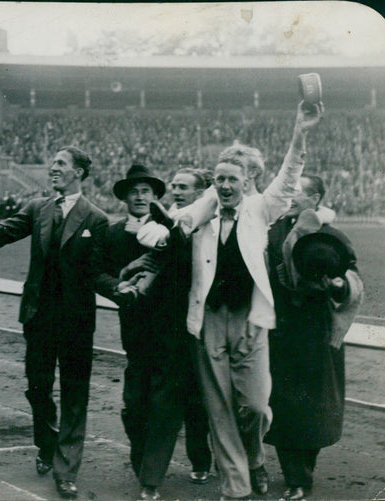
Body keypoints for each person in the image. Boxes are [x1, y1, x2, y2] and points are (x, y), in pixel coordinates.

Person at [161, 101, 324, 499]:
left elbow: (287, 180)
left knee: (254, 406)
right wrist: (166, 224)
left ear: (249, 180)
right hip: (210, 320)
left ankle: (253, 458)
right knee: (219, 408)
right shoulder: (202, 215)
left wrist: (300, 131)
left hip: (251, 319)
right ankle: (235, 488)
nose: (225, 185)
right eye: (218, 179)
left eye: (232, 178)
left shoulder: (259, 210)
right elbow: (170, 226)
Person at [0, 146, 108, 499]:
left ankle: (66, 470)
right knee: (37, 389)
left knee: (75, 397)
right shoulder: (37, 208)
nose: (53, 168)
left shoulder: (96, 218)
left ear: (79, 172)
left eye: (61, 164)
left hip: (77, 322)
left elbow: (98, 273)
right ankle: (47, 445)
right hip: (39, 318)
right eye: (52, 163)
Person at [264, 174, 363, 500]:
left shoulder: (332, 235)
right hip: (281, 331)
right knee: (283, 405)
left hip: (319, 333)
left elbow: (352, 275)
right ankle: (296, 478)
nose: (290, 196)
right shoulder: (274, 232)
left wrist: (340, 285)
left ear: (316, 198)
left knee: (316, 406)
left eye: (298, 192)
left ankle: (304, 471)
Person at [94, 164, 189, 500]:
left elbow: (187, 264)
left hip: (171, 330)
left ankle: (151, 478)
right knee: (135, 407)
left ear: (154, 196)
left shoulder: (173, 230)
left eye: (145, 191)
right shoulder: (112, 233)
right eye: (133, 191)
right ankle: (144, 465)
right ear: (124, 197)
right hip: (134, 334)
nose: (139, 196)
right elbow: (98, 275)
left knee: (164, 405)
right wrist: (122, 278)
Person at [168, 168, 213, 485]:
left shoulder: (215, 224)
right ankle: (196, 459)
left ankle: (216, 459)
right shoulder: (166, 221)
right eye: (173, 186)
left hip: (212, 320)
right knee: (187, 395)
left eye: (183, 187)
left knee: (215, 396)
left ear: (201, 194)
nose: (175, 191)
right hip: (176, 323)